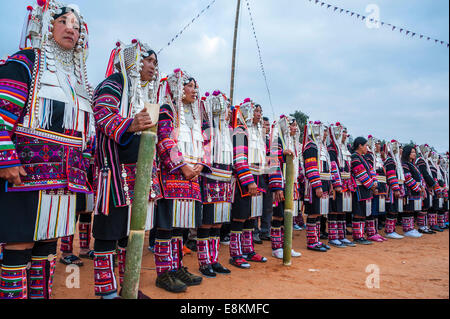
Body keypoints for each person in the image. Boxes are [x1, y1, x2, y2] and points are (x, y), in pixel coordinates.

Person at [0, 2, 93, 299]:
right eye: (63, 21)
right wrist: (5, 156)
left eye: (76, 26)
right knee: (19, 243)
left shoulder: (79, 81)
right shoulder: (26, 61)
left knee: (47, 245)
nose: (71, 29)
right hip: (26, 174)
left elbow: (83, 134)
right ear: (47, 26)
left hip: (64, 180)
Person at [91, 39, 161, 299]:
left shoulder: (147, 94)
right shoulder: (115, 82)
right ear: (134, 60)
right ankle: (107, 292)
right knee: (109, 231)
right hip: (115, 171)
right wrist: (131, 124)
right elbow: (102, 113)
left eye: (155, 62)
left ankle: (128, 288)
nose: (153, 66)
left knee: (130, 234)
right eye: (148, 60)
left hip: (139, 175)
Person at [154, 68, 207, 292]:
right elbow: (164, 139)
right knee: (166, 226)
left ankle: (177, 267)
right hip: (173, 177)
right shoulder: (168, 109)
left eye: (196, 86)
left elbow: (204, 144)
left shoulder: (195, 117)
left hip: (191, 179)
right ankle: (164, 272)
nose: (195, 91)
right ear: (178, 87)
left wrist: (200, 165)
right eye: (190, 86)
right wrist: (183, 166)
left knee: (182, 226)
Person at [196, 90, 232, 277]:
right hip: (210, 179)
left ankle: (214, 259)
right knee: (206, 222)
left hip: (225, 180)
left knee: (218, 223)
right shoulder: (206, 126)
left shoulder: (228, 130)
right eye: (222, 107)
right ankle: (204, 261)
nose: (225, 112)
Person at [229, 99, 267, 269]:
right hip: (244, 180)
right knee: (240, 216)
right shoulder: (240, 130)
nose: (258, 114)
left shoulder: (258, 133)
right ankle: (236, 253)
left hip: (258, 178)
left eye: (259, 111)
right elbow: (239, 158)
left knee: (252, 216)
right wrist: (248, 180)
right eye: (255, 111)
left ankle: (248, 249)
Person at [268, 115, 302, 258]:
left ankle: (286, 246)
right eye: (291, 125)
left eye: (295, 125)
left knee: (288, 217)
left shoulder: (294, 143)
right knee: (278, 216)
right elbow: (273, 163)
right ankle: (276, 248)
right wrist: (277, 187)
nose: (294, 128)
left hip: (291, 183)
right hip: (280, 184)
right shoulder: (277, 141)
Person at [302, 121, 332, 252]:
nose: (325, 134)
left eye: (325, 131)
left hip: (323, 183)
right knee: (313, 213)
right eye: (323, 131)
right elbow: (311, 167)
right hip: (315, 184)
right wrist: (317, 185)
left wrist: (328, 184)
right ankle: (311, 241)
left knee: (319, 213)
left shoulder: (322, 147)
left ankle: (317, 239)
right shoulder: (311, 146)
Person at [327, 123, 356, 247]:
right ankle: (333, 237)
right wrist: (337, 183)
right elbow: (333, 166)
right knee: (335, 209)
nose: (345, 135)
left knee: (343, 210)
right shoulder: (332, 149)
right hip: (337, 183)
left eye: (345, 132)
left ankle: (342, 236)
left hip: (347, 183)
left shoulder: (346, 149)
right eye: (342, 132)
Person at [350, 137, 378, 245]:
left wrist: (375, 182)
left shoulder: (363, 158)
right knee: (358, 212)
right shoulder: (355, 158)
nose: (367, 147)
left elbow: (371, 170)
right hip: (359, 188)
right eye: (366, 145)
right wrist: (372, 185)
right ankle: (357, 236)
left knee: (363, 213)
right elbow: (360, 173)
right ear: (360, 146)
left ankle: (361, 235)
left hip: (366, 188)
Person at [365, 136, 388, 242]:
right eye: (376, 143)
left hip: (380, 186)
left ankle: (375, 232)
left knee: (377, 210)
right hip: (373, 186)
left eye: (379, 144)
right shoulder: (369, 156)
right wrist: (373, 186)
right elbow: (370, 172)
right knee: (372, 210)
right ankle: (370, 232)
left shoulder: (378, 157)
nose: (378, 146)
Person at [400, 145, 424, 238]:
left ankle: (411, 228)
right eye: (412, 152)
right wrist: (417, 187)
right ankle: (407, 229)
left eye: (414, 152)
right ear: (407, 153)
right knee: (408, 209)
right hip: (409, 190)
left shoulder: (413, 164)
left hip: (415, 189)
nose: (414, 154)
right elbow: (407, 177)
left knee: (412, 210)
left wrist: (421, 186)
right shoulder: (405, 164)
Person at [416, 144, 440, 233]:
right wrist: (433, 184)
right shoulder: (421, 161)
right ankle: (422, 226)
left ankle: (425, 225)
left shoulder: (424, 161)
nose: (429, 153)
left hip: (426, 186)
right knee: (424, 206)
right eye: (428, 151)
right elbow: (425, 174)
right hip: (423, 185)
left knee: (426, 206)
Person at [383, 140, 405, 239]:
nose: (401, 151)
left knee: (395, 210)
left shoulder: (396, 161)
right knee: (392, 210)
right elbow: (391, 175)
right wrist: (396, 188)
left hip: (396, 188)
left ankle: (392, 230)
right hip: (392, 190)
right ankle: (389, 231)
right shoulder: (390, 161)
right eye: (399, 148)